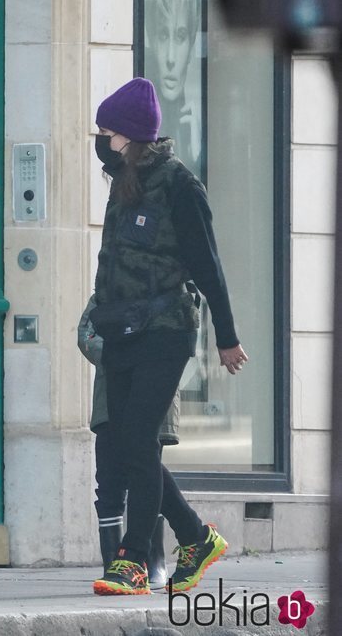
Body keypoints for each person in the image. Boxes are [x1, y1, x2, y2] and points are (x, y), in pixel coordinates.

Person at [90, 77, 248, 596]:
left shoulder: (180, 185)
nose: (101, 141)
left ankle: (133, 561)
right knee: (131, 445)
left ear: (131, 136)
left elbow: (209, 265)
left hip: (165, 329)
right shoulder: (123, 180)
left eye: (107, 132)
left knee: (139, 438)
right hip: (120, 332)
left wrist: (226, 336)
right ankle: (195, 537)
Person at [78, 294, 180, 589]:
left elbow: (178, 339)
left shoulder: (170, 287)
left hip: (153, 397)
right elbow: (86, 334)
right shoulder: (108, 290)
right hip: (110, 401)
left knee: (145, 476)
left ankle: (153, 561)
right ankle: (114, 565)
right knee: (108, 482)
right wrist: (120, 356)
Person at [145, 0, 202, 175]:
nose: (170, 58)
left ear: (191, 44)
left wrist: (195, 153)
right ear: (152, 42)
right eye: (162, 36)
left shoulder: (197, 126)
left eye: (180, 36)